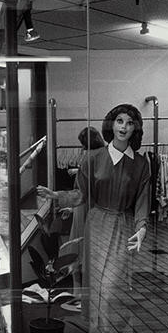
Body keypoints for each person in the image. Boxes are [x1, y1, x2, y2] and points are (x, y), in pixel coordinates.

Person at [38, 105, 150, 333]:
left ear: (136, 128)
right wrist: (57, 196)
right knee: (98, 298)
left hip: (123, 228)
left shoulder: (141, 163)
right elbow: (80, 195)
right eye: (119, 121)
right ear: (111, 125)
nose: (124, 127)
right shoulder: (93, 159)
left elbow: (141, 201)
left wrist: (142, 228)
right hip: (96, 225)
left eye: (130, 122)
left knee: (110, 293)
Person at [38, 126, 105, 303]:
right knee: (92, 254)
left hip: (85, 210)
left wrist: (55, 195)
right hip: (97, 211)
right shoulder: (106, 156)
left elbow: (81, 192)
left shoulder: (88, 158)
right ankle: (89, 295)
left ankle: (80, 294)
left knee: (79, 252)